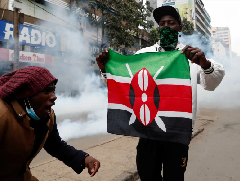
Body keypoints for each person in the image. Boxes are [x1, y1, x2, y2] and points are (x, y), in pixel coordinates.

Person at [96, 6, 225, 181]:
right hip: (148, 133)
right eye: (162, 23)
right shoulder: (143, 55)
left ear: (180, 28)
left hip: (177, 134)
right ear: (158, 29)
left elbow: (211, 83)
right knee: (148, 177)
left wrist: (205, 64)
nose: (166, 26)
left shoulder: (190, 56)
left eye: (171, 23)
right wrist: (106, 70)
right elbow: (124, 85)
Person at [0, 66, 100, 181]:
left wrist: (84, 159)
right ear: (26, 96)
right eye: (46, 91)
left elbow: (55, 145)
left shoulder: (47, 116)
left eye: (53, 90)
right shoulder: (3, 115)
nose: (54, 97)